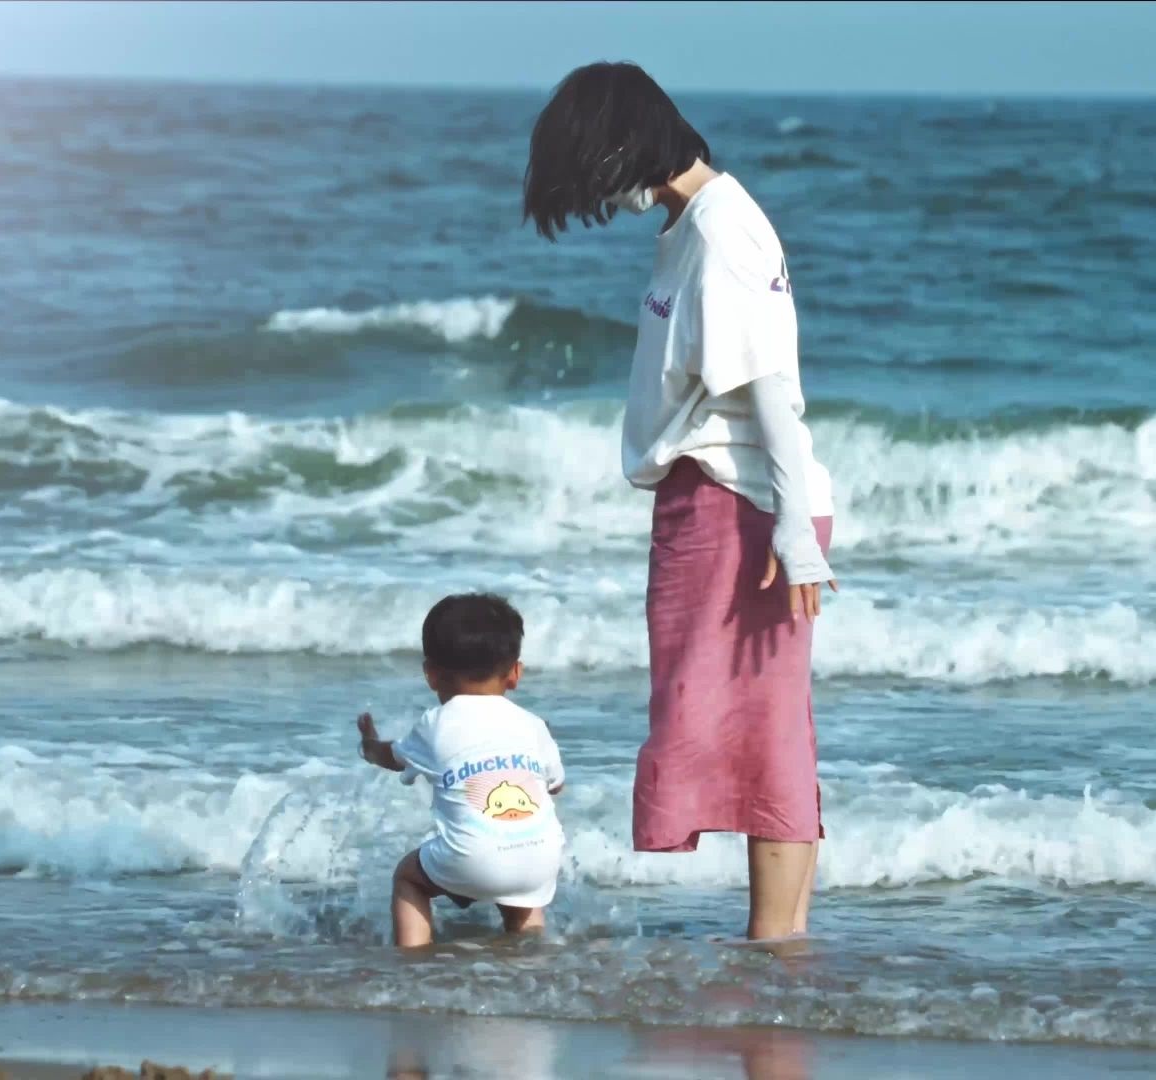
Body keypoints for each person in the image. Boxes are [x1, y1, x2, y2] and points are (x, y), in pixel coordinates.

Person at [523, 62, 837, 941]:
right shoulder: (691, 224)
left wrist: (793, 528)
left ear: (629, 143)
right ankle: (779, 942)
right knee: (747, 730)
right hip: (715, 505)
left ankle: (776, 946)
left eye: (596, 168)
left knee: (767, 736)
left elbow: (771, 389)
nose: (599, 192)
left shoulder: (724, 231)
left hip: (743, 506)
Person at [356, 592, 566, 947]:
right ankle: (530, 957)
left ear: (430, 674)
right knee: (522, 899)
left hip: (471, 858)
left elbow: (392, 758)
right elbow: (555, 785)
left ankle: (414, 957)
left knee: (408, 878)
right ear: (515, 673)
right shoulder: (533, 725)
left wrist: (369, 744)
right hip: (540, 859)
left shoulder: (435, 724)